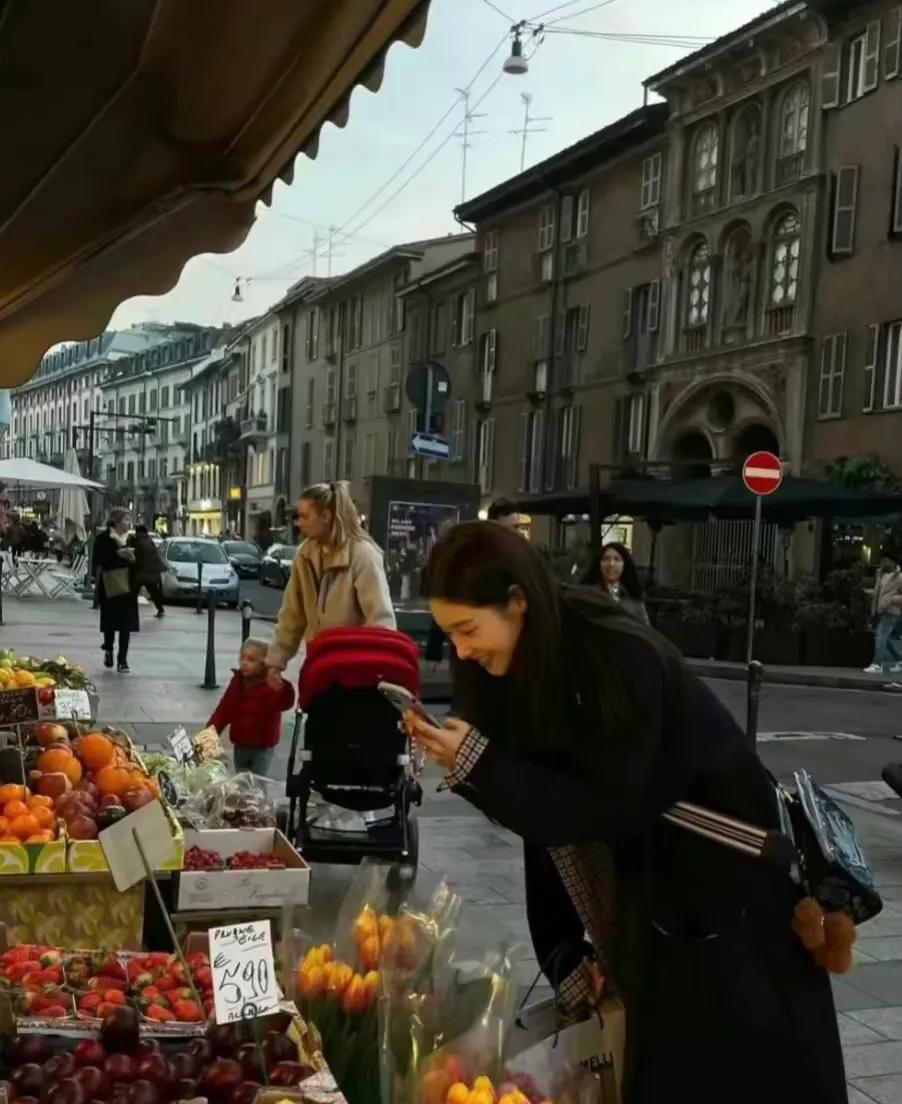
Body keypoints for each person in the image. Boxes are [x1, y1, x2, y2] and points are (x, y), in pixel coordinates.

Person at [405, 522, 845, 1104]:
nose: (461, 650)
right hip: (661, 897)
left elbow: (602, 805)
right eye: (448, 635)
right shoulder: (528, 666)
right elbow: (549, 819)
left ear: (518, 603)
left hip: (730, 895)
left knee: (738, 1068)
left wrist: (481, 767)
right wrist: (563, 953)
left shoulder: (616, 652)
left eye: (467, 630)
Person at [265, 481, 395, 688]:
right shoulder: (305, 554)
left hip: (355, 669)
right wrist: (276, 661)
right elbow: (292, 613)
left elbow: (380, 618)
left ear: (326, 516)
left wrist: (380, 671)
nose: (299, 523)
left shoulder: (362, 555)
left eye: (305, 516)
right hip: (319, 663)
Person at [208, 638, 295, 775]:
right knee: (241, 780)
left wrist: (282, 688)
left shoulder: (270, 685)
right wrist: (209, 734)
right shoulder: (237, 682)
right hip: (241, 743)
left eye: (251, 659)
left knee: (257, 783)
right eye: (242, 657)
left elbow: (285, 703)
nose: (244, 663)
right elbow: (224, 710)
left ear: (264, 663)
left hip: (262, 746)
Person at [94, 508, 138, 673]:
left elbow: (142, 561)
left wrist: (133, 559)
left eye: (129, 519)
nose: (129, 523)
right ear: (116, 521)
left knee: (126, 624)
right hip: (110, 585)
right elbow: (98, 560)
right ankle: (109, 650)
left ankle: (123, 660)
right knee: (110, 623)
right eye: (126, 519)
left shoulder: (133, 540)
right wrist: (118, 554)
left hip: (128, 587)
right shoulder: (104, 538)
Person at [582, 541, 649, 625]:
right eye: (606, 559)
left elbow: (646, 630)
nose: (611, 564)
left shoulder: (633, 597)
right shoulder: (587, 595)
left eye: (617, 559)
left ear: (624, 565)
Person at [864, 552, 902, 674]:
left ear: (893, 562)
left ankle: (877, 664)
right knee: (887, 638)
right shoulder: (880, 574)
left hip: (892, 610)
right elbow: (878, 591)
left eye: (886, 561)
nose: (883, 563)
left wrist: (893, 600)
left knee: (881, 635)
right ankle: (899, 661)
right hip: (880, 609)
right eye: (882, 561)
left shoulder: (900, 577)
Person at [130, 524, 166, 618]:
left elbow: (138, 557)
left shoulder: (140, 542)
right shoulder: (148, 540)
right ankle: (160, 609)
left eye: (136, 531)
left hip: (142, 572)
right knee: (154, 592)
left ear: (139, 532)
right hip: (150, 572)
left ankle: (129, 611)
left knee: (133, 592)